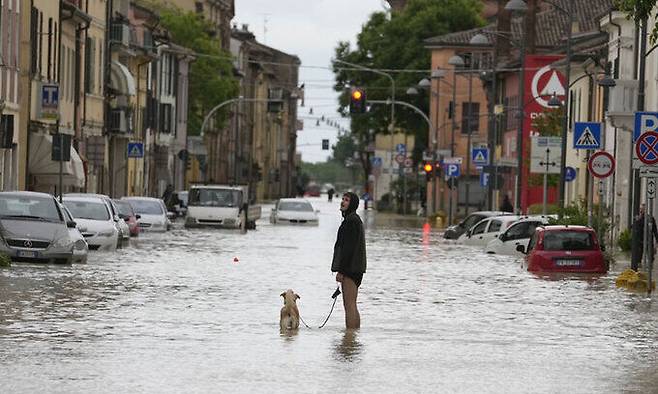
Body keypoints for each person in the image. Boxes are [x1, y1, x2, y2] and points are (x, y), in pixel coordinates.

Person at [331, 192, 367, 329]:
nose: (343, 202)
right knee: (350, 304)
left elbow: (348, 249)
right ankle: (352, 337)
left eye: (346, 200)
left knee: (349, 304)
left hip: (351, 269)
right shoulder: (351, 220)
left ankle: (351, 337)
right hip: (353, 268)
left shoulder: (352, 221)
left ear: (352, 204)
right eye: (343, 199)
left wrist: (341, 271)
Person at [631, 204, 658, 271]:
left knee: (650, 256)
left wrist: (657, 242)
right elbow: (632, 228)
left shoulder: (650, 218)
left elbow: (655, 230)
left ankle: (650, 268)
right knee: (638, 257)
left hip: (648, 240)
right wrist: (636, 220)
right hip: (640, 241)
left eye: (643, 209)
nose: (641, 210)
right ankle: (639, 269)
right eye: (640, 209)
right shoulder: (637, 218)